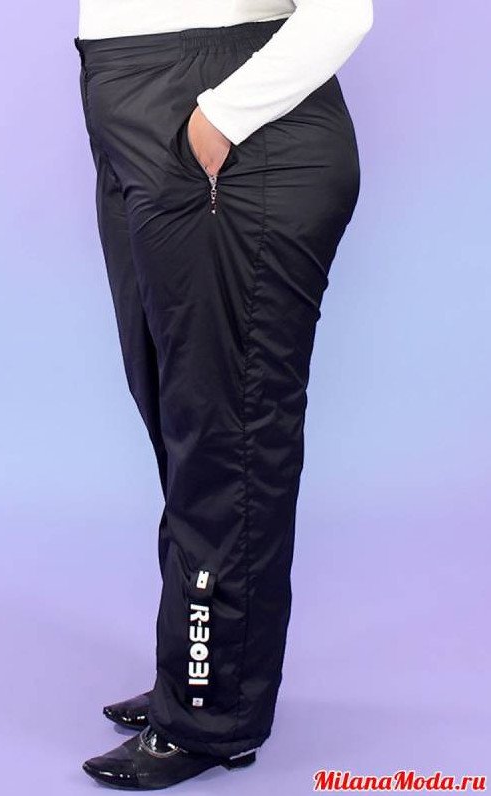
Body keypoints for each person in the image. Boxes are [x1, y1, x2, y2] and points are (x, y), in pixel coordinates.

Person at [73, 0, 374, 789]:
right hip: (132, 108)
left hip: (228, 118)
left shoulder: (220, 115)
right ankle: (195, 672)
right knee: (182, 422)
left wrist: (219, 119)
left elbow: (344, 13)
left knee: (226, 436)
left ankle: (212, 714)